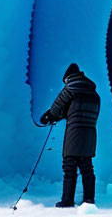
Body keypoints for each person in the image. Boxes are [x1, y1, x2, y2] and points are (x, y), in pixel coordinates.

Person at [40, 63, 101, 207]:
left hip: (74, 131)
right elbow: (75, 108)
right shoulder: (94, 93)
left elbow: (58, 108)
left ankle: (67, 200)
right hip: (90, 132)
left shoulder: (71, 88)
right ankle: (89, 199)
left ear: (68, 78)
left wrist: (49, 116)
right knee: (87, 166)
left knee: (69, 166)